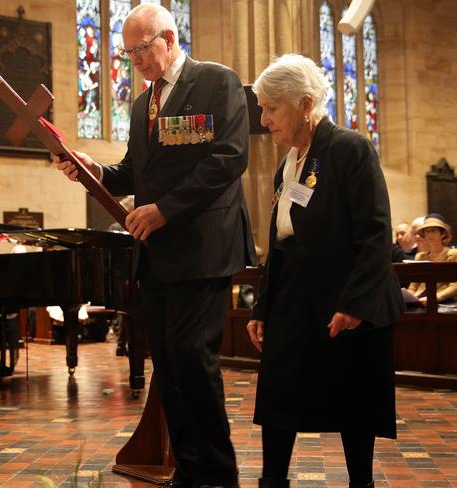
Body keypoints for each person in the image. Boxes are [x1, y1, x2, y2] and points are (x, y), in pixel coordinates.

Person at [56, 5, 255, 487]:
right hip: (158, 252)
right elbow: (135, 172)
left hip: (204, 244)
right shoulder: (142, 103)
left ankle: (220, 473)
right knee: (167, 363)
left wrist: (164, 208)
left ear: (168, 37)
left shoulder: (216, 82)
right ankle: (189, 470)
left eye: (142, 49)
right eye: (129, 53)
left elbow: (228, 160)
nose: (136, 60)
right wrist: (94, 170)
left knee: (192, 355)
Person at [245, 54, 405, 488]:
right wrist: (262, 307)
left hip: (344, 300)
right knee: (278, 399)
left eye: (271, 108)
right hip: (295, 300)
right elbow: (280, 244)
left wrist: (354, 303)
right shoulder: (289, 164)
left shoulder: (348, 148)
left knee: (353, 407)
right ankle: (272, 482)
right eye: (262, 108)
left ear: (305, 103)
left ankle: (361, 484)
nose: (264, 119)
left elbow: (375, 233)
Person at [405, 216, 457, 306]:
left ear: (442, 234)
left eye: (433, 230)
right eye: (426, 231)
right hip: (420, 300)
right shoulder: (420, 256)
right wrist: (407, 297)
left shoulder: (454, 254)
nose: (429, 234)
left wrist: (435, 298)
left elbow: (455, 285)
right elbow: (413, 286)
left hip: (444, 302)